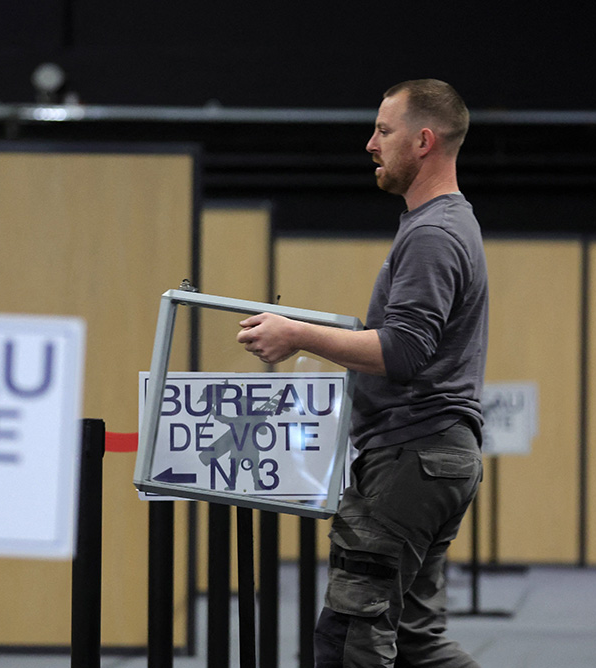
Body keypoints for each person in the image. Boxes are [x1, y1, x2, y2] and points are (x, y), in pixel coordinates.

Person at [236, 79, 487, 667]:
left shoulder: (432, 234)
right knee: (417, 644)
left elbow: (403, 350)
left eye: (383, 130)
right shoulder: (448, 224)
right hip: (434, 457)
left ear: (423, 141)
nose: (370, 143)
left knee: (351, 635)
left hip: (410, 458)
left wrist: (295, 334)